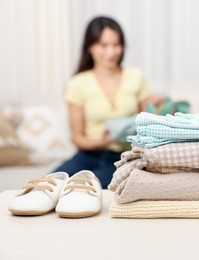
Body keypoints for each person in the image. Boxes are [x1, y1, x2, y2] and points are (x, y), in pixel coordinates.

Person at [53, 16, 160, 188]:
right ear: (90, 47)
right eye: (104, 45)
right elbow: (78, 138)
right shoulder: (77, 83)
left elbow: (148, 124)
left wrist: (157, 106)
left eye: (116, 45)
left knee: (83, 187)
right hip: (87, 154)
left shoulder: (136, 76)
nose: (111, 52)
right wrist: (101, 142)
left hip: (124, 157)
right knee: (47, 185)